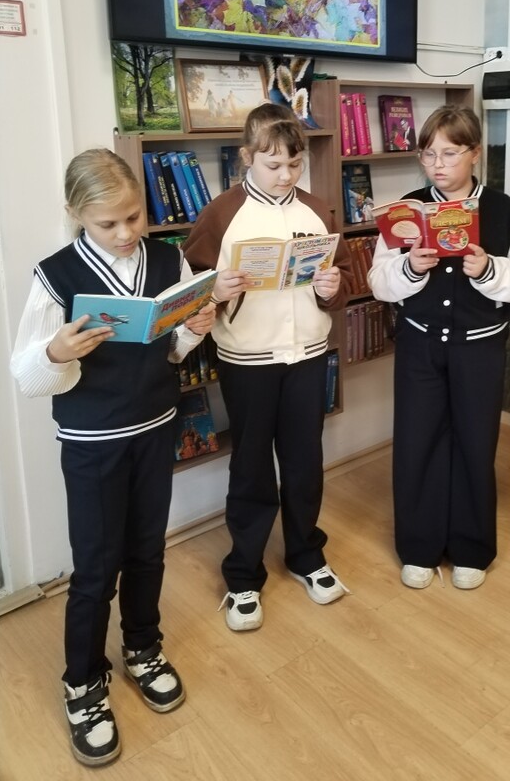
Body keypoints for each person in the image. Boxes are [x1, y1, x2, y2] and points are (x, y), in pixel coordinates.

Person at [10, 149, 216, 768]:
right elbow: (25, 375)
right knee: (96, 567)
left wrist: (195, 326)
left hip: (155, 427)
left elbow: (172, 351)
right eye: (109, 223)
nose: (126, 233)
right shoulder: (56, 275)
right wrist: (56, 351)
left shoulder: (167, 258)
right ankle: (82, 681)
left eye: (134, 217)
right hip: (92, 441)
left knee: (148, 549)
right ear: (76, 214)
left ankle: (142, 646)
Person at [182, 104, 353, 632]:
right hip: (247, 361)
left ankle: (306, 554)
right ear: (247, 158)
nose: (285, 176)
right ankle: (243, 574)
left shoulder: (317, 210)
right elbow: (187, 288)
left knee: (304, 462)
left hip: (308, 356)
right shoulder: (221, 213)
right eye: (273, 164)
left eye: (294, 165)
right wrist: (214, 288)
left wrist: (332, 287)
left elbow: (341, 277)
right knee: (251, 466)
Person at [367, 106, 510, 591]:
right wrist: (410, 268)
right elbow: (379, 282)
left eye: (449, 153)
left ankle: (471, 548)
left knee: (474, 443)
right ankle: (419, 547)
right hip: (420, 346)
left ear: (474, 153)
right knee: (416, 443)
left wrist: (489, 270)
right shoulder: (405, 211)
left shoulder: (504, 211)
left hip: (480, 349)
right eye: (428, 155)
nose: (438, 165)